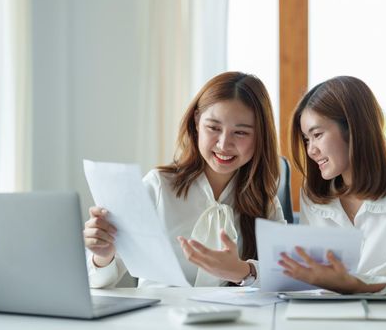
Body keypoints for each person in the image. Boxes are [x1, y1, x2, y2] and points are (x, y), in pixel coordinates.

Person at [84, 71, 285, 288]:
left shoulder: (265, 202)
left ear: (260, 137)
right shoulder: (159, 186)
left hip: (232, 320)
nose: (224, 144)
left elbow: (284, 275)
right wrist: (103, 256)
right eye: (214, 128)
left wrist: (243, 271)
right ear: (197, 121)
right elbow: (98, 283)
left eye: (241, 133)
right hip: (160, 318)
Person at [280, 76, 386, 298]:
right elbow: (313, 272)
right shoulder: (313, 193)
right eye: (307, 139)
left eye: (317, 135)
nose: (311, 150)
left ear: (354, 129)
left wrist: (355, 283)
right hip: (330, 316)